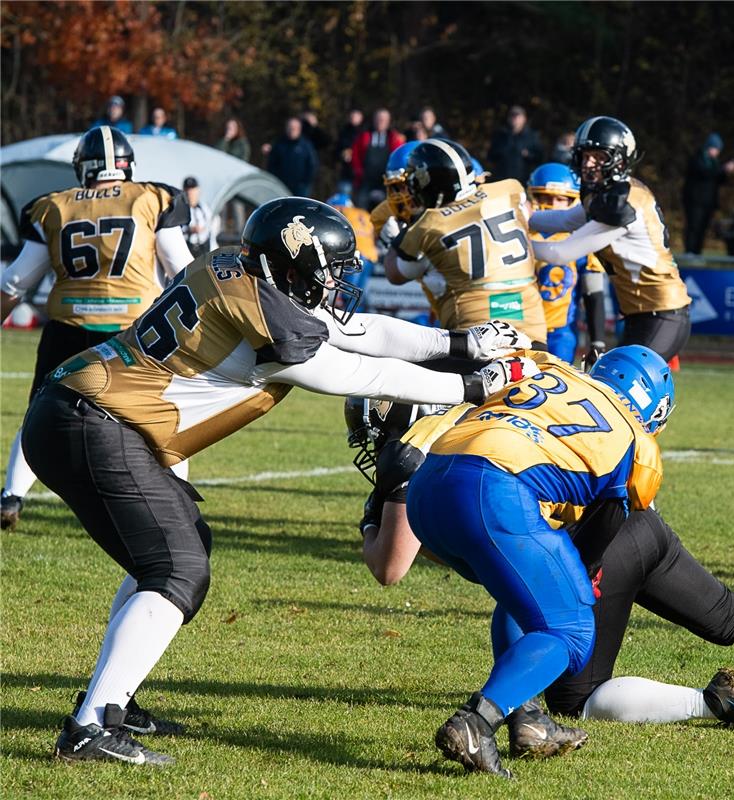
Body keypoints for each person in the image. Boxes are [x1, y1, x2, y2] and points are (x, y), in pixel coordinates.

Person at [31, 197, 536, 765]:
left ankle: (110, 702)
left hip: (86, 412)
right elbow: (354, 369)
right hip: (94, 420)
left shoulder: (240, 271)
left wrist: (457, 345)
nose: (333, 286)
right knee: (176, 568)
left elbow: (359, 331)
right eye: (324, 273)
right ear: (288, 268)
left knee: (179, 553)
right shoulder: (263, 310)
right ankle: (90, 727)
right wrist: (472, 385)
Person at [342, 399, 734, 732]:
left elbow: (391, 565)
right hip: (641, 520)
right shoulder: (507, 397)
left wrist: (374, 516)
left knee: (567, 672)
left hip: (595, 530)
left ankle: (709, 704)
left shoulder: (424, 441)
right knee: (732, 613)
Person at [405, 345, 673, 777]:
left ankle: (528, 720)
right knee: (571, 628)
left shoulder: (551, 367)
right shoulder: (636, 444)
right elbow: (599, 537)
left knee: (524, 598)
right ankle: (477, 723)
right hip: (491, 491)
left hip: (427, 485)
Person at [0, 127, 194, 531]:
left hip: (69, 329)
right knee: (160, 414)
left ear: (81, 169)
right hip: (135, 332)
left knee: (41, 413)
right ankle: (179, 501)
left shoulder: (53, 206)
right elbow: (181, 269)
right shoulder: (152, 198)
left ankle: (11, 496)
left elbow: (17, 281)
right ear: (127, 167)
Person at [527, 117, 692, 363]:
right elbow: (563, 221)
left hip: (661, 314)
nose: (589, 163)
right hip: (643, 315)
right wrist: (517, 218)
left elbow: (560, 253)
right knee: (611, 393)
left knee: (616, 393)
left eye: (599, 156)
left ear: (620, 159)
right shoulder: (608, 192)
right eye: (585, 156)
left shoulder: (622, 202)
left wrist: (506, 243)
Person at [385, 139, 547, 346]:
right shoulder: (507, 190)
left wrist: (396, 240)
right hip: (532, 329)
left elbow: (395, 273)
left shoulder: (428, 224)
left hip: (474, 335)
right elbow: (527, 212)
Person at [528, 163, 608, 363]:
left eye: (560, 199)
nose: (552, 205)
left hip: (561, 332)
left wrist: (597, 340)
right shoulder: (518, 232)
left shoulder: (581, 237)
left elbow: (593, 293)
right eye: (544, 197)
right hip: (522, 328)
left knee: (556, 387)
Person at [682, 133, 734, 255]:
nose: (716, 152)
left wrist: (726, 172)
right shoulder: (698, 158)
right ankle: (689, 251)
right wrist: (723, 169)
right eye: (715, 148)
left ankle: (697, 252)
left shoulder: (714, 162)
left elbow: (719, 179)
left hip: (709, 202)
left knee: (702, 228)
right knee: (693, 226)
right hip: (695, 200)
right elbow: (706, 173)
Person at [351, 108, 405, 206]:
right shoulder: (364, 136)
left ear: (388, 122)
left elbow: (400, 157)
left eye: (383, 119)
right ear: (374, 120)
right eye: (378, 119)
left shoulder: (394, 138)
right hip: (366, 180)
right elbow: (355, 155)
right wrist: (358, 171)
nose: (381, 122)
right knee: (360, 206)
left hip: (387, 182)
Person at [487, 105, 544, 184]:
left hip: (523, 181)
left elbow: (540, 158)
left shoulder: (532, 136)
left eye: (517, 116)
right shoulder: (500, 135)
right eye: (512, 116)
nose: (514, 119)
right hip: (502, 181)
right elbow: (490, 156)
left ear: (524, 118)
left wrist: (528, 155)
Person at [266, 117, 319, 197]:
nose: (291, 130)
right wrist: (275, 180)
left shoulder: (306, 146)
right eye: (290, 128)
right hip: (281, 185)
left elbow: (312, 165)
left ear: (299, 129)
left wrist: (305, 182)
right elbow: (272, 164)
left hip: (301, 188)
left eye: (294, 128)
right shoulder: (279, 144)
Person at [180, 177, 217, 258]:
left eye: (193, 190)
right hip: (187, 250)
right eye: (187, 190)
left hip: (204, 249)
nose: (190, 193)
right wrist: (189, 230)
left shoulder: (204, 208)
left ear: (198, 190)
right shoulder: (180, 210)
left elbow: (211, 229)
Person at [335, 109, 366, 196]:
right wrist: (342, 154)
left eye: (356, 116)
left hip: (361, 175)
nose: (353, 119)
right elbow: (336, 151)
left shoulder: (365, 134)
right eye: (352, 116)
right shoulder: (343, 133)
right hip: (347, 173)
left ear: (361, 118)